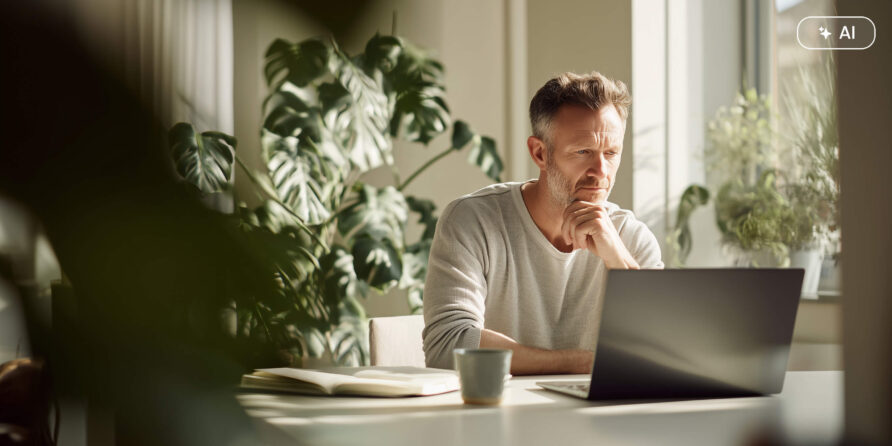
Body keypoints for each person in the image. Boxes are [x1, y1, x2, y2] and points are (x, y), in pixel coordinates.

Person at [422, 71, 664, 374]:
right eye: (583, 152)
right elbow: (447, 346)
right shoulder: (473, 222)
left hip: (600, 418)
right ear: (540, 153)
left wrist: (618, 260)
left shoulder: (631, 237)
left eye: (611, 153)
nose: (600, 171)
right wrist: (581, 363)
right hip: (495, 413)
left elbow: (664, 352)